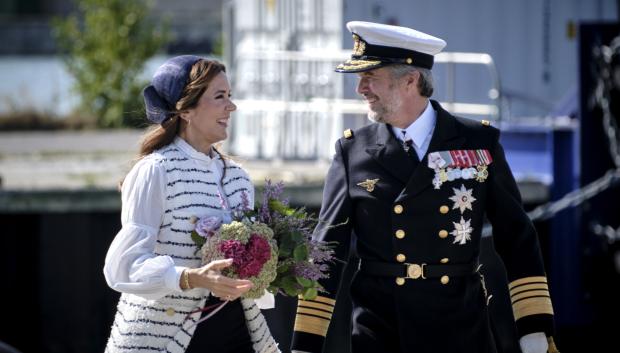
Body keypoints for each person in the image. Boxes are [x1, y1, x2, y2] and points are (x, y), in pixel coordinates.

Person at [291, 22, 559, 353]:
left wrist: (533, 326)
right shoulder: (352, 151)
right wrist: (306, 341)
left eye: (370, 77)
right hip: (381, 331)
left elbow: (517, 237)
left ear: (410, 80)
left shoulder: (478, 142)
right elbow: (327, 249)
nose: (360, 89)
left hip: (461, 328)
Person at [103, 55, 280, 353]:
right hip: (163, 337)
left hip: (237, 331)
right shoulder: (155, 170)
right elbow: (122, 267)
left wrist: (276, 263)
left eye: (230, 96)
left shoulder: (239, 177)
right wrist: (189, 277)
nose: (231, 106)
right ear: (186, 110)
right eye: (220, 97)